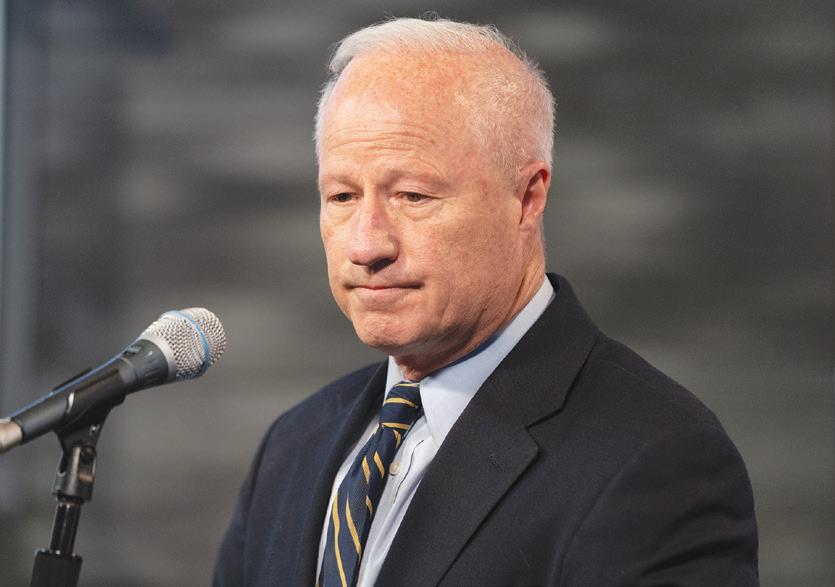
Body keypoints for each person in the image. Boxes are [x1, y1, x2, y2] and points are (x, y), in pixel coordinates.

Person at [214, 17, 758, 587]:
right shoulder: (293, 446)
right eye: (342, 196)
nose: (366, 245)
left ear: (527, 198)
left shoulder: (654, 459)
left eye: (413, 195)